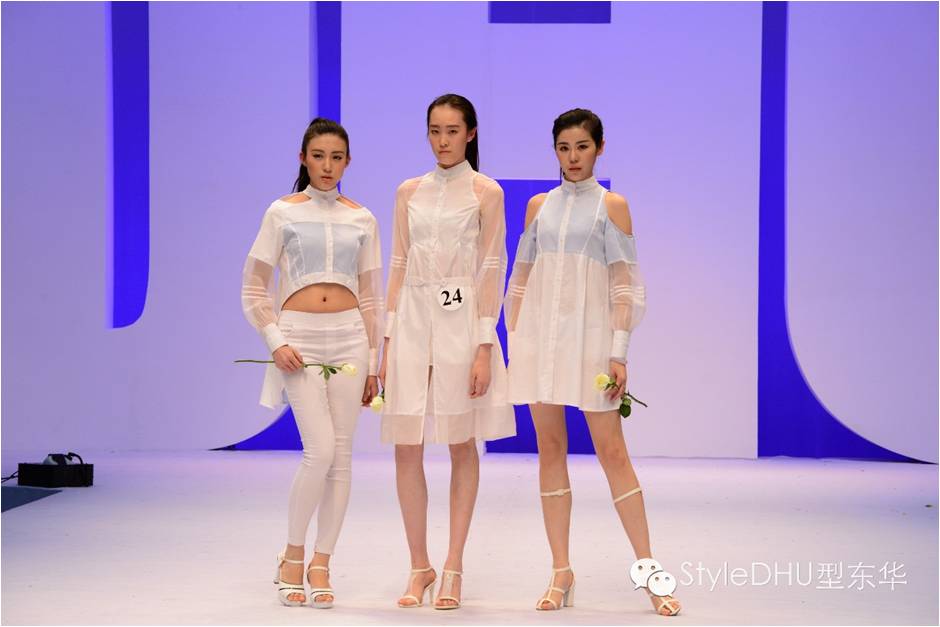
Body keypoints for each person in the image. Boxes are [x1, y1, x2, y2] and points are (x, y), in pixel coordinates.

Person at [505, 108, 681, 616]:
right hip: (540, 344)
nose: (572, 156)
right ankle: (560, 572)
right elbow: (521, 278)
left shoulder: (612, 206)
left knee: (613, 453)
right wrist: (517, 341)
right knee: (550, 449)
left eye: (582, 146)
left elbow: (625, 283)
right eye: (564, 147)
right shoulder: (538, 206)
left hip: (591, 345)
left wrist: (618, 352)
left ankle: (650, 573)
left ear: (599, 148)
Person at [378, 93, 516, 610]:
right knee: (406, 442)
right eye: (435, 130)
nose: (443, 141)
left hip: (461, 324)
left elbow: (492, 267)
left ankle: (454, 566)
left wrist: (484, 345)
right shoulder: (408, 191)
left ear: (471, 134)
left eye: (453, 131)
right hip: (413, 321)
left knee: (461, 442)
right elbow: (398, 262)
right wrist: (386, 341)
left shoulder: (485, 191)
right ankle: (420, 566)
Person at [240, 118, 383, 609]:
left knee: (341, 457)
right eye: (318, 156)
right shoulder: (281, 212)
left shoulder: (363, 218)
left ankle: (321, 562)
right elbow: (253, 286)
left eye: (336, 157)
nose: (327, 166)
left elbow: (372, 297)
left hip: (350, 339)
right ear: (303, 158)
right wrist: (275, 339)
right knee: (318, 451)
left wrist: (374, 362)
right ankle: (292, 556)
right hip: (298, 338)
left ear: (348, 162)